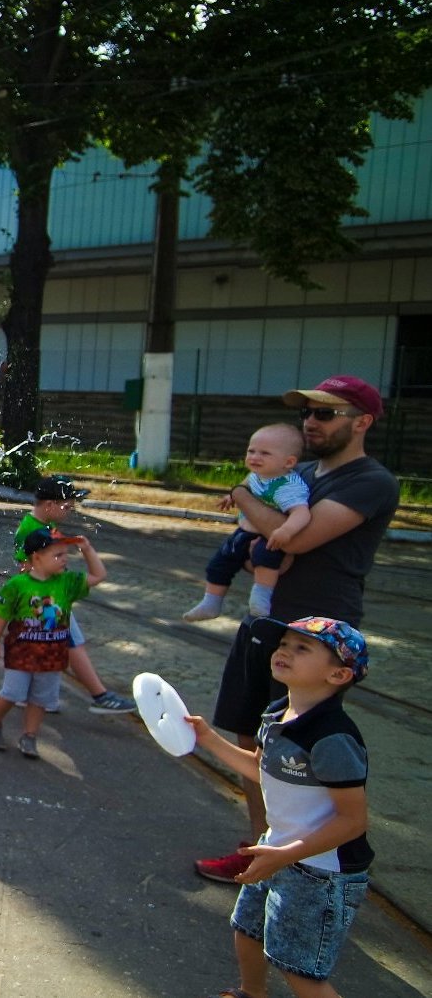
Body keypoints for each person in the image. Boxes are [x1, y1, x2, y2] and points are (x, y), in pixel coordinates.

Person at [199, 375, 397, 884]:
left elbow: (299, 538)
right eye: (307, 413)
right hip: (268, 620)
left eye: (326, 414)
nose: (311, 421)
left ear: (362, 422)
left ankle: (302, 858)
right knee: (253, 733)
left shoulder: (369, 481)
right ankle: (264, 850)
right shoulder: (300, 471)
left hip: (320, 632)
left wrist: (243, 493)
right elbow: (263, 542)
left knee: (298, 749)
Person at [188, 616, 372, 998]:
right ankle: (252, 993)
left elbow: (353, 820)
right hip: (280, 849)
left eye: (301, 648)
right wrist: (207, 739)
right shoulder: (277, 713)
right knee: (248, 929)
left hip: (321, 870)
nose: (284, 650)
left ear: (338, 675)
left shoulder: (333, 737)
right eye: (284, 643)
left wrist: (286, 855)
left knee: (299, 969)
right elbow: (261, 769)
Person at [14, 475, 137, 714]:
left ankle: (28, 695)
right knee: (72, 644)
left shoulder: (43, 527)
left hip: (50, 597)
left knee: (51, 645)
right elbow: (26, 567)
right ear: (49, 505)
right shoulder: (31, 529)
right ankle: (100, 695)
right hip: (49, 599)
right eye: (67, 507)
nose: (69, 512)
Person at [0, 529, 108, 759]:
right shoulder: (18, 584)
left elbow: (98, 576)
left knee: (41, 699)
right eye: (58, 555)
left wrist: (88, 550)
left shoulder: (67, 582)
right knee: (12, 693)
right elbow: (1, 613)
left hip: (52, 656)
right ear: (37, 557)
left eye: (65, 555)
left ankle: (29, 736)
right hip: (21, 653)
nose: (65, 560)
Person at [186, 424, 312, 621]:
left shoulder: (287, 486)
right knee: (220, 562)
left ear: (288, 462)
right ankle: (211, 602)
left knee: (265, 558)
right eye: (251, 451)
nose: (254, 457)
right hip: (244, 531)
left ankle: (261, 599)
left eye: (264, 453)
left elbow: (302, 513)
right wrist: (232, 496)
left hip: (270, 535)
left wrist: (286, 531)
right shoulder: (258, 474)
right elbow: (245, 485)